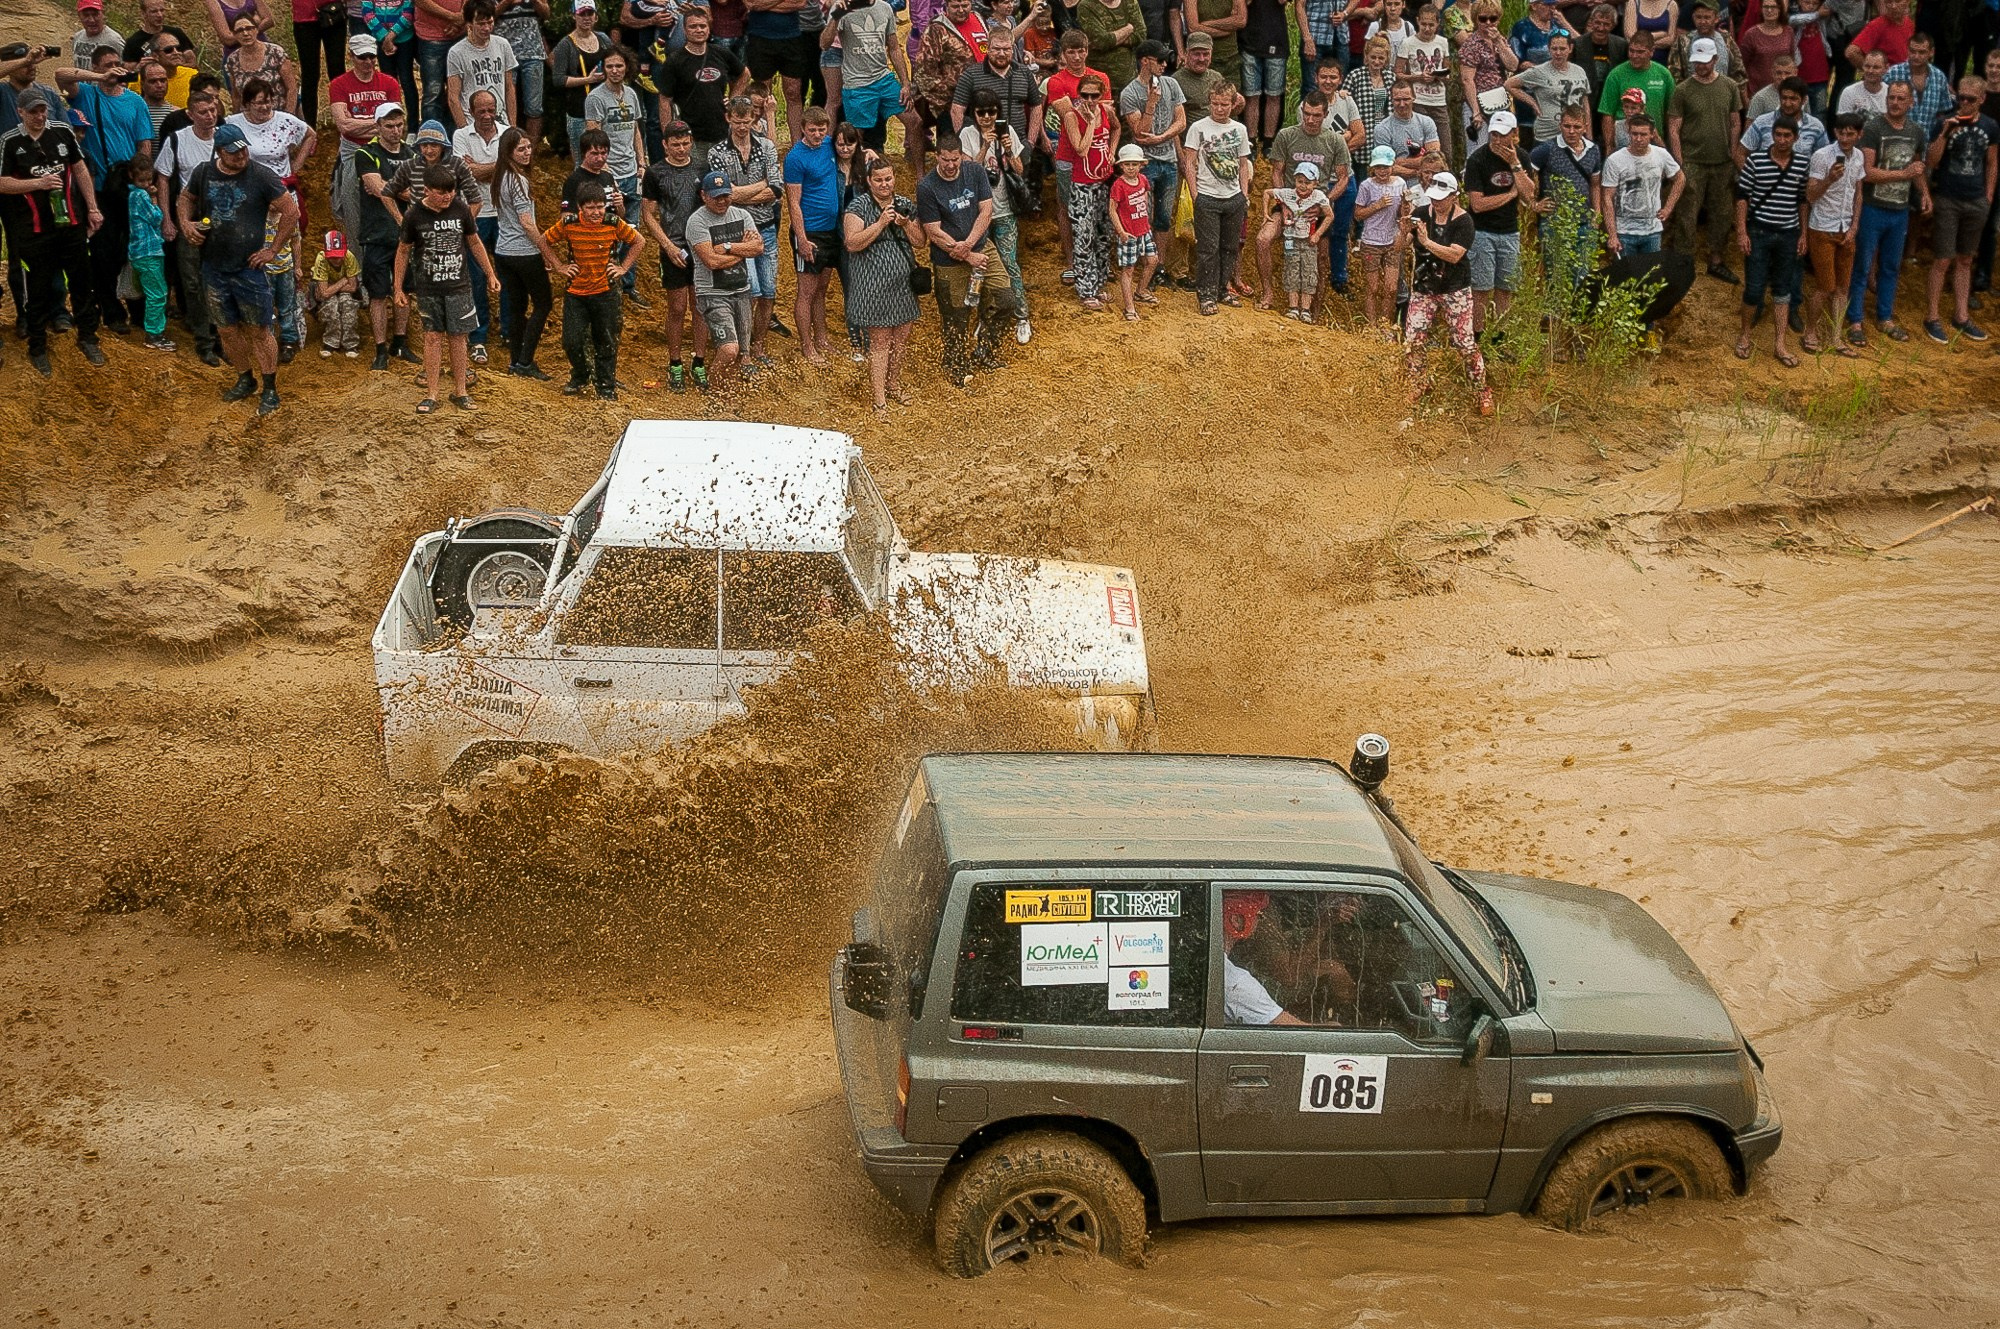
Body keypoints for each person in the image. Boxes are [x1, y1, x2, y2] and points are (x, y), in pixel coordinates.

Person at [177, 120, 298, 413]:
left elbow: (290, 211)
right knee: (227, 329)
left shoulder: (261, 175)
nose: (241, 156)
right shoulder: (203, 173)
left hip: (249, 267)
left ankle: (270, 387)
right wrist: (185, 224)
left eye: (243, 150)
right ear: (219, 151)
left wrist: (273, 249)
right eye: (233, 153)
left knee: (260, 329)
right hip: (214, 266)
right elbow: (185, 198)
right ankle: (245, 378)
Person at [0, 86, 104, 377]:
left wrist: (93, 208)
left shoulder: (61, 131)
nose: (40, 116)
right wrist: (38, 184)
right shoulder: (10, 141)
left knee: (82, 281)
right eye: (33, 111)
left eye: (43, 109)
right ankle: (37, 346)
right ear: (20, 112)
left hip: (70, 222)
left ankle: (88, 337)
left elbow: (80, 168)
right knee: (38, 288)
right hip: (34, 228)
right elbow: (2, 182)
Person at [62, 47, 156, 337]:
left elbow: (144, 144)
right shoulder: (87, 95)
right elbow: (61, 74)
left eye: (117, 64)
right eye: (108, 65)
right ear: (96, 67)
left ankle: (139, 311)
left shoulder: (135, 101)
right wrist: (99, 76)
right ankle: (111, 310)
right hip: (98, 188)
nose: (114, 69)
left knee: (133, 250)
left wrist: (144, 181)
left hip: (128, 188)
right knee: (104, 254)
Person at [394, 163, 498, 410]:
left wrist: (490, 273)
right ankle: (432, 393)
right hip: (428, 287)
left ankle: (460, 391)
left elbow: (474, 242)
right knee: (431, 337)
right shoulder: (414, 215)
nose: (447, 197)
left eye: (451, 191)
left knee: (459, 337)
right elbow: (403, 251)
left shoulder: (460, 208)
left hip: (459, 285)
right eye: (441, 193)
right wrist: (398, 287)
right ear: (426, 190)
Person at [917, 135, 1013, 379]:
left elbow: (986, 210)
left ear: (961, 156)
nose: (950, 165)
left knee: (1005, 300)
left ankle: (986, 349)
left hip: (981, 246)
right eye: (945, 160)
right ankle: (956, 365)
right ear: (936, 156)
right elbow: (933, 231)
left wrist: (970, 245)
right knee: (955, 315)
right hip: (948, 259)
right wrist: (966, 255)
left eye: (955, 159)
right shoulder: (927, 186)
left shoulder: (975, 172)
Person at [1845, 78, 1927, 347]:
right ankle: (1855, 319)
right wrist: (1903, 174)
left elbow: (1917, 167)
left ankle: (1885, 317)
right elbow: (1866, 172)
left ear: (1910, 102)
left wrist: (1924, 192)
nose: (1895, 102)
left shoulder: (1916, 131)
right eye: (1891, 97)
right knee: (1862, 266)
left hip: (1899, 210)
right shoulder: (1873, 128)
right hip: (1872, 208)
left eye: (1901, 98)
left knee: (1891, 267)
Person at [1402, 171, 1490, 412]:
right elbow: (1402, 245)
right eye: (1433, 198)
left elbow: (1454, 255)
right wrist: (1402, 229)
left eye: (1441, 198)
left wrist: (1427, 241)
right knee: (1413, 339)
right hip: (1424, 286)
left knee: (1464, 342)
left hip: (1455, 288)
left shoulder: (1464, 222)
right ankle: (1419, 382)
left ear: (1454, 196)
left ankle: (1481, 390)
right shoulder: (1421, 213)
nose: (1436, 202)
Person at [545, 179, 643, 396]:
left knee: (606, 341)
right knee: (571, 341)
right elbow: (544, 241)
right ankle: (580, 375)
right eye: (590, 208)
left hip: (605, 291)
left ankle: (606, 386)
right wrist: (559, 266)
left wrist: (623, 268)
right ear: (580, 208)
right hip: (576, 293)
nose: (596, 212)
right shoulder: (569, 223)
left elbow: (639, 241)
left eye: (599, 206)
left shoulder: (613, 223)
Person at [842, 155, 924, 411]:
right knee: (879, 343)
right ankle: (879, 398)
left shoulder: (905, 204)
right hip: (872, 287)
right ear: (869, 181)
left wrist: (906, 223)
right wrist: (880, 224)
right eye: (878, 180)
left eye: (888, 178)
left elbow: (920, 241)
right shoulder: (858, 206)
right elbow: (852, 243)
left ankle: (894, 385)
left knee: (900, 341)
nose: (884, 184)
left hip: (902, 286)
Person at [707, 95, 783, 361]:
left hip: (766, 227)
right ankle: (744, 349)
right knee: (748, 291)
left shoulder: (767, 147)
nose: (742, 126)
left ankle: (758, 344)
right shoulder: (717, 152)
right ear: (729, 119)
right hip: (736, 230)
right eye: (737, 121)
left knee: (768, 291)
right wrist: (760, 186)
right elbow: (726, 196)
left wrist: (745, 192)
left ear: (754, 119)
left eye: (747, 120)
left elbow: (776, 189)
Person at [1921, 77, 1995, 344]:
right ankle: (1932, 317)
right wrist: (1945, 132)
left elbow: (1992, 163)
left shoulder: (1990, 126)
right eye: (1960, 98)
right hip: (1949, 199)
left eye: (1970, 100)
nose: (1963, 103)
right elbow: (1931, 160)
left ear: (1982, 99)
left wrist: (1987, 196)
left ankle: (1961, 316)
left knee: (1965, 258)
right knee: (1942, 259)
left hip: (1976, 200)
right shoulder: (1944, 122)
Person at [1259, 90, 1347, 309]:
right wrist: (1283, 204)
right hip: (1288, 202)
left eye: (1316, 115)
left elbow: (1343, 178)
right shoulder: (1287, 135)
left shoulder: (1335, 141)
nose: (1310, 120)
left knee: (1321, 258)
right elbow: (1277, 172)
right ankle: (1268, 293)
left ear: (1326, 114)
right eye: (1307, 113)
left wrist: (1323, 202)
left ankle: (1313, 311)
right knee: (1263, 239)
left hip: (1316, 207)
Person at [155, 86, 225, 364]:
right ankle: (203, 341)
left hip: (222, 216)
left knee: (220, 280)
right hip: (190, 217)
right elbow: (162, 178)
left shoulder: (225, 138)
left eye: (213, 110)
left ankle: (222, 337)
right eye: (203, 112)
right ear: (189, 114)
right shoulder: (177, 140)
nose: (210, 116)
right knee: (193, 282)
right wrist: (168, 219)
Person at [1732, 114, 1806, 365]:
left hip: (1788, 233)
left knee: (1783, 290)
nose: (1782, 140)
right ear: (1772, 136)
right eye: (1778, 135)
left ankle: (1780, 343)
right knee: (1754, 288)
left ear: (1795, 138)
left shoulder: (1801, 164)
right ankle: (1744, 335)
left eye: (1787, 136)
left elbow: (1802, 202)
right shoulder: (1756, 161)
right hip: (1759, 231)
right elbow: (1742, 197)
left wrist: (1803, 234)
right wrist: (1741, 232)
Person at [641, 119, 709, 388]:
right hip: (673, 248)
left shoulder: (702, 167)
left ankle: (700, 361)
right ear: (665, 145)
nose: (681, 149)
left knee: (700, 306)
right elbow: (648, 214)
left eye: (685, 143)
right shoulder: (655, 173)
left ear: (691, 142)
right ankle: (675, 362)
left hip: (700, 247)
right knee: (677, 307)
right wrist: (667, 245)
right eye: (675, 144)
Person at [1667, 36, 1741, 282]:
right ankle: (1683, 260)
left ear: (1716, 60)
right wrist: (1680, 162)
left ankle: (1716, 258)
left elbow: (1734, 122)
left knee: (1722, 212)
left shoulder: (1730, 86)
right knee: (1687, 212)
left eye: (1705, 61)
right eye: (1697, 62)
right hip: (1693, 161)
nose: (1700, 66)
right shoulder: (1683, 90)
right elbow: (1674, 127)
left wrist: (1732, 153)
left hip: (1722, 161)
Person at [961, 91, 1032, 342]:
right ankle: (985, 317)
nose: (988, 117)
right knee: (980, 267)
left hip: (1004, 210)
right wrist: (985, 147)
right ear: (974, 113)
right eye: (982, 112)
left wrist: (1010, 151)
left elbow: (1020, 170)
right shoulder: (967, 135)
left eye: (992, 112)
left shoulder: (1007, 132)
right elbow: (968, 173)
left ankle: (1021, 315)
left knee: (1009, 263)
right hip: (979, 213)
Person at [488, 124, 558, 376]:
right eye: (521, 149)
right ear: (509, 153)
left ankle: (516, 360)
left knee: (516, 308)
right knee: (543, 304)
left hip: (504, 252)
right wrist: (546, 251)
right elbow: (527, 221)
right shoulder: (518, 180)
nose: (527, 152)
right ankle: (525, 361)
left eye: (529, 147)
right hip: (524, 252)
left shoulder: (501, 176)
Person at [357, 102, 418, 366]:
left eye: (399, 125)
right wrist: (399, 192)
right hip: (376, 233)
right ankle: (381, 349)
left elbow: (420, 191)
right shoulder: (366, 153)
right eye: (389, 126)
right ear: (378, 126)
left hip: (408, 236)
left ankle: (400, 343)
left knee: (405, 290)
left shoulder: (413, 153)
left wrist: (390, 188)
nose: (396, 131)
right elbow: (375, 185)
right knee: (378, 293)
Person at [1182, 78, 1250, 314]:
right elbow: (1189, 163)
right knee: (1208, 248)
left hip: (1233, 196)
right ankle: (1206, 294)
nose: (1219, 109)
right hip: (1207, 196)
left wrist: (1244, 194)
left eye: (1224, 104)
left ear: (1233, 104)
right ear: (1209, 103)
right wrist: (1195, 194)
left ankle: (1222, 289)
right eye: (1215, 104)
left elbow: (1243, 163)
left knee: (1229, 246)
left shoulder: (1239, 129)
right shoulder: (1198, 128)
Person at [1463, 108, 1533, 333]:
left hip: (1509, 232)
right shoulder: (1477, 160)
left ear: (1514, 134)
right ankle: (1478, 338)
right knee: (1481, 289)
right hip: (1482, 232)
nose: (1497, 140)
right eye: (1494, 134)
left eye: (1503, 134)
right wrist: (1511, 195)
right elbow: (1477, 205)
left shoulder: (1521, 156)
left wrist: (1515, 164)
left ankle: (1502, 337)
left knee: (1506, 288)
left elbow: (1530, 194)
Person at [584, 48, 647, 301]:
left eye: (619, 66)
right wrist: (605, 173)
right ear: (603, 68)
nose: (614, 70)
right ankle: (606, 285)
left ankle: (627, 285)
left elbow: (635, 131)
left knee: (631, 231)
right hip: (609, 175)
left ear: (626, 67)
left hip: (632, 172)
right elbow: (592, 137)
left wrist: (642, 163)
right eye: (609, 66)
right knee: (608, 233)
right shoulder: (595, 98)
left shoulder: (631, 94)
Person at [780, 105, 839, 364]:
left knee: (822, 288)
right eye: (812, 130)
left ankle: (822, 338)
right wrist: (802, 239)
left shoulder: (829, 145)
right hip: (810, 231)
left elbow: (852, 150)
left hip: (832, 230)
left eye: (821, 129)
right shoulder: (795, 157)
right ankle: (806, 345)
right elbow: (793, 202)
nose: (817, 134)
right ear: (803, 128)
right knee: (806, 290)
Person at [1802, 110, 1862, 356]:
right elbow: (1810, 195)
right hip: (1822, 228)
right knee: (1825, 286)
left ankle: (1837, 337)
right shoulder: (1822, 156)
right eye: (1841, 133)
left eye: (1850, 134)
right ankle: (1810, 331)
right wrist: (1829, 179)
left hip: (1845, 229)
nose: (1845, 138)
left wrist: (1854, 227)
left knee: (1841, 288)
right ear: (1835, 132)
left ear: (1859, 134)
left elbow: (1859, 194)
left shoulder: (1858, 157)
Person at [1059, 70, 1118, 311]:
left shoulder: (1107, 111)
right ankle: (1085, 290)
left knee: (1104, 234)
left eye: (1095, 96)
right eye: (1085, 95)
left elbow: (1116, 128)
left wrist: (1112, 150)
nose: (1090, 101)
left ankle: (1099, 283)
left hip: (1102, 179)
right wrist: (1092, 121)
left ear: (1101, 95)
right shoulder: (1072, 116)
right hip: (1081, 182)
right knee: (1084, 236)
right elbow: (1081, 149)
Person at [1527, 100, 1601, 287]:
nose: (1571, 131)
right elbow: (1524, 176)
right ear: (1560, 125)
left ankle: (1575, 315)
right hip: (1555, 223)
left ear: (1585, 127)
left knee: (1583, 276)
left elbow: (1595, 184)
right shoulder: (1546, 149)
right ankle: (1555, 315)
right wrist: (1534, 204)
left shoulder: (1594, 150)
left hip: (1585, 222)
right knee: (1557, 276)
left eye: (1576, 127)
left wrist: (1597, 214)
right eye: (1567, 126)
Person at [453, 88, 502, 362]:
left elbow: (515, 166)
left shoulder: (507, 132)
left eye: (491, 109)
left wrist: (479, 168)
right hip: (473, 216)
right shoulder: (461, 135)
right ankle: (478, 336)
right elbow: (463, 173)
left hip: (504, 215)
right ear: (471, 111)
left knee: (505, 273)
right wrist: (498, 165)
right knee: (476, 278)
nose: (487, 115)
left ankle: (508, 331)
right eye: (481, 110)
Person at [663, 5, 749, 162]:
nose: (698, 30)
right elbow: (664, 100)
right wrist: (669, 136)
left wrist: (733, 98)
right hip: (690, 137)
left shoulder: (721, 53)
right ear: (685, 30)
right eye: (693, 26)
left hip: (722, 132)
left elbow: (744, 74)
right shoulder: (674, 61)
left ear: (709, 28)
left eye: (702, 26)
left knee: (722, 183)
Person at [916, 0, 990, 159]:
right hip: (951, 104)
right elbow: (924, 73)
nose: (961, 10)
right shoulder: (936, 29)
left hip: (983, 102)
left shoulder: (978, 18)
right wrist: (948, 104)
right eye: (956, 7)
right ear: (946, 6)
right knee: (952, 154)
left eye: (965, 5)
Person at [1599, 112, 1681, 255]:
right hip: (1624, 231)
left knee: (1652, 274)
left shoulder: (1661, 155)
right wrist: (1612, 235)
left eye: (1643, 134)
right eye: (1634, 134)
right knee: (1626, 275)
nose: (1638, 139)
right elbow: (1607, 198)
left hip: (1652, 230)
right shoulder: (1614, 160)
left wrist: (1668, 208)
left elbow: (1680, 178)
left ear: (1651, 134)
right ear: (1628, 133)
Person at [950, 19, 1042, 144]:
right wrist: (964, 143)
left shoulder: (1024, 73)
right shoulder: (971, 74)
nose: (1001, 54)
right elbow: (957, 110)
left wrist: (1030, 142)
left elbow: (1036, 107)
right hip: (982, 146)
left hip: (1018, 145)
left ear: (1013, 49)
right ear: (987, 48)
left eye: (1006, 49)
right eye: (997, 49)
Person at [1263, 161, 1330, 320]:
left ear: (1315, 183)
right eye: (1300, 181)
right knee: (1291, 271)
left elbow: (1329, 215)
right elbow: (1267, 193)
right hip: (1291, 239)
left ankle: (1305, 309)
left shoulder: (1319, 196)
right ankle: (1293, 307)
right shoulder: (1288, 193)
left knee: (1308, 273)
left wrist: (1318, 234)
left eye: (1307, 182)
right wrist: (1265, 214)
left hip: (1308, 240)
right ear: (1295, 181)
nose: (1303, 186)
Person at [1506, 28, 1591, 149]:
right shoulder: (1539, 71)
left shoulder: (1579, 71)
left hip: (1574, 135)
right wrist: (1532, 103)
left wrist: (1588, 135)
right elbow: (1509, 84)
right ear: (1548, 48)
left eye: (1562, 49)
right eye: (1554, 48)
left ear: (1570, 48)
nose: (1558, 53)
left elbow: (1585, 104)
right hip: (1547, 136)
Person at [1352, 144, 1405, 329]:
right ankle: (1372, 324)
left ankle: (1385, 324)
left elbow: (1402, 212)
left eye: (1385, 167)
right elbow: (1358, 214)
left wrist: (1405, 206)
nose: (1382, 171)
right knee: (1372, 288)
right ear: (1373, 168)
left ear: (1392, 166)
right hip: (1371, 241)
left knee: (1391, 288)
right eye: (1378, 167)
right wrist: (1377, 205)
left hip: (1392, 240)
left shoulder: (1400, 184)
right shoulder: (1367, 186)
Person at [1458, 0, 1517, 157]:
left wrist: (1499, 42)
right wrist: (1476, 112)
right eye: (1483, 19)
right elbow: (1467, 80)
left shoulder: (1500, 40)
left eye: (1493, 18)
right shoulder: (1470, 45)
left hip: (1500, 101)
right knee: (1478, 152)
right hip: (1477, 103)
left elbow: (1513, 65)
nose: (1488, 23)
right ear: (1476, 19)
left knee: (1502, 150)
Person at [446, 0, 518, 128]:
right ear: (469, 25)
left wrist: (512, 125)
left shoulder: (503, 45)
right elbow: (453, 97)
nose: (486, 28)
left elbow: (509, 87)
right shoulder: (456, 53)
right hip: (472, 123)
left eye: (490, 22)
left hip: (501, 122)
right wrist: (464, 130)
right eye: (481, 24)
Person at [1106, 141, 1159, 317]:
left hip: (1144, 230)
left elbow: (1145, 197)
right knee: (1128, 270)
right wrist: (1121, 231)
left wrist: (1147, 218)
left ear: (1141, 165)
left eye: (1134, 164)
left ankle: (1141, 291)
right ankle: (1129, 307)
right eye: (1127, 164)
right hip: (1129, 233)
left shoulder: (1143, 180)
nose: (1130, 168)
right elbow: (1112, 209)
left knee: (1152, 261)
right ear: (1121, 166)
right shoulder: (1119, 185)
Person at [1597, 28, 1671, 150]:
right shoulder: (1616, 74)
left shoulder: (1664, 74)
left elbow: (1670, 113)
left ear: (1652, 51)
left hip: (1654, 143)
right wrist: (1609, 147)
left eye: (1640, 52)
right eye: (1631, 51)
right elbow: (1608, 113)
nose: (1635, 56)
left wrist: (1665, 143)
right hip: (1624, 143)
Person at [551, 0, 609, 154]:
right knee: (582, 159)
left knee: (605, 156)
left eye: (590, 13)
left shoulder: (603, 39)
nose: (586, 18)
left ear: (596, 16)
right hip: (579, 110)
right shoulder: (565, 44)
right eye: (582, 14)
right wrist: (587, 80)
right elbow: (558, 79)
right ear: (574, 16)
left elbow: (615, 60)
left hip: (604, 109)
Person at [492, 0, 547, 148]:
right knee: (504, 105)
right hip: (504, 53)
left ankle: (530, 151)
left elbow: (546, 14)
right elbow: (488, 15)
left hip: (533, 53)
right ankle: (508, 148)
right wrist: (507, 3)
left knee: (534, 107)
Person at [225, 15, 298, 116]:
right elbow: (236, 96)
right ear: (234, 35)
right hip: (249, 119)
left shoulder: (275, 53)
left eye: (249, 28)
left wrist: (288, 117)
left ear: (256, 30)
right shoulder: (232, 60)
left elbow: (291, 88)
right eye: (240, 30)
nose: (245, 33)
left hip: (278, 115)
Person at [1886, 35, 1952, 143]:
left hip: (1928, 144)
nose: (1916, 56)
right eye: (1912, 51)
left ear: (1931, 52)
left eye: (1921, 52)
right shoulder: (1893, 73)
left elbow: (1942, 113)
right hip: (1897, 142)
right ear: (1907, 50)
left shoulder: (1939, 77)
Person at [413, 0, 467, 128]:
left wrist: (462, 17)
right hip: (431, 37)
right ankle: (432, 139)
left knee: (459, 91)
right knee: (433, 92)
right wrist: (453, 17)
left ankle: (455, 137)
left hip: (461, 34)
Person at [310, 227, 364, 356]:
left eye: (339, 256)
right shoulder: (321, 259)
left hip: (344, 291)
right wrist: (343, 280)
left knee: (348, 303)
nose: (337, 260)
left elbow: (352, 287)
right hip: (332, 291)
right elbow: (323, 293)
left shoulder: (349, 257)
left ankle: (351, 343)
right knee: (331, 305)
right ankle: (330, 342)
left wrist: (332, 287)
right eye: (333, 257)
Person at [362, 0, 422, 114]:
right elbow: (367, 14)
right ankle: (392, 118)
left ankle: (413, 126)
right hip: (381, 40)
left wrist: (391, 36)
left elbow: (408, 14)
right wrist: (385, 37)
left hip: (404, 39)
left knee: (406, 79)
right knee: (388, 80)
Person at [292, 0, 346, 123]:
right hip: (304, 19)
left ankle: (344, 121)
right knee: (309, 74)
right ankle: (309, 127)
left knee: (337, 70)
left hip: (333, 12)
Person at [1374, 83, 1439, 181]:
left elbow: (1434, 159)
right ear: (1391, 100)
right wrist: (1417, 172)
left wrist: (1401, 162)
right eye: (1397, 100)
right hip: (1396, 183)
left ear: (1414, 98)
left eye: (1406, 99)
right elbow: (1385, 167)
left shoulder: (1426, 122)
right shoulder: (1382, 128)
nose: (1402, 104)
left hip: (1426, 182)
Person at [1667, 1, 1742, 84]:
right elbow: (1674, 74)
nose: (1702, 22)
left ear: (1716, 18)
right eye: (1699, 17)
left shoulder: (1726, 40)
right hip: (1692, 93)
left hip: (1722, 93)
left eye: (1707, 17)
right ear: (1693, 17)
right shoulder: (1683, 42)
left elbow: (1738, 73)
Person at [1182, 0, 1246, 88]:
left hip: (1230, 59)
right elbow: (1193, 28)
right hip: (1202, 58)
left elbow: (1241, 20)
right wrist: (1227, 30)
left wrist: (1207, 24)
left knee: (1232, 98)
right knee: (1206, 98)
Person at [1737, 0, 1790, 99]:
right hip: (1758, 93)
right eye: (1766, 7)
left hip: (1784, 93)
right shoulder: (1751, 35)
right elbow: (1741, 66)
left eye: (1773, 7)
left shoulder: (1788, 31)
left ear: (1780, 8)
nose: (1769, 10)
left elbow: (1791, 61)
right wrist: (1745, 96)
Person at [1844, 0, 1913, 75]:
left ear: (1907, 2)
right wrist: (1873, 72)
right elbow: (1851, 52)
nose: (1893, 6)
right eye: (1889, 2)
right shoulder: (1877, 25)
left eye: (1897, 1)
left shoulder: (1908, 23)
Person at [122, 0, 197, 64]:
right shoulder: (133, 42)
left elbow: (193, 63)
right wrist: (140, 68)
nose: (160, 15)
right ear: (143, 14)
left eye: (162, 10)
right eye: (154, 11)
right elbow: (128, 74)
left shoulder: (177, 33)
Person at [73, 2, 126, 71]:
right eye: (86, 15)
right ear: (79, 16)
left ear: (103, 14)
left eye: (95, 14)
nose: (92, 20)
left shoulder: (114, 40)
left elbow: (128, 68)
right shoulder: (77, 37)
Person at [1838, 49, 1888, 119]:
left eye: (1876, 67)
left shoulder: (1890, 93)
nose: (1870, 71)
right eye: (1867, 66)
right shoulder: (1849, 92)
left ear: (1886, 68)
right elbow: (1843, 124)